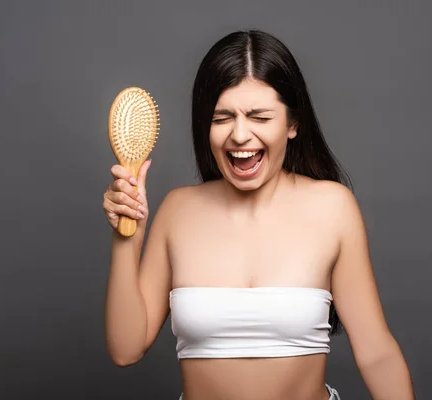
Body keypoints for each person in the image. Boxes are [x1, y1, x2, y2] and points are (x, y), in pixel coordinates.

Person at [102, 30, 414, 400]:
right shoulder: (177, 211)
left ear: (293, 124)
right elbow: (126, 350)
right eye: (222, 118)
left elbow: (377, 353)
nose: (239, 135)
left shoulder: (333, 208)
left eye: (259, 117)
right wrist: (128, 236)